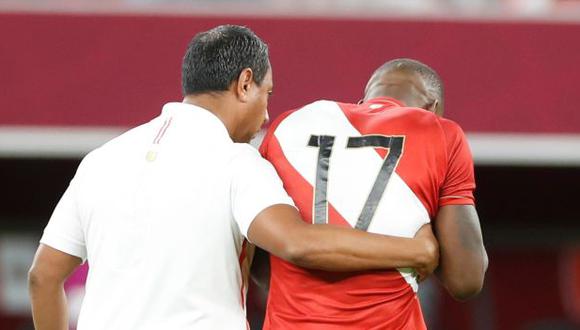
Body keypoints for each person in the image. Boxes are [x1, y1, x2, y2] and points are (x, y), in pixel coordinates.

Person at [27, 26, 439, 330]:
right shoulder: (236, 162)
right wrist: (416, 250)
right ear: (245, 83)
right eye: (268, 95)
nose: (265, 116)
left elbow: (44, 277)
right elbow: (298, 244)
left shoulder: (101, 160)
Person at [258, 58, 488, 329]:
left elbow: (257, 251)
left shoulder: (290, 124)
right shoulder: (441, 132)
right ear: (432, 109)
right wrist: (425, 242)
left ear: (363, 102)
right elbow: (466, 280)